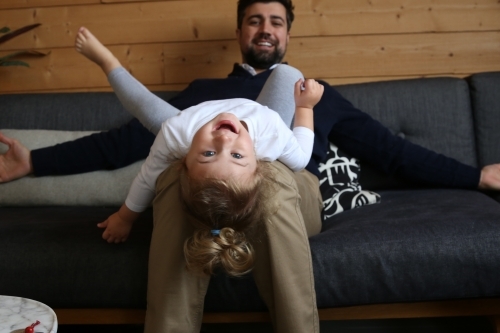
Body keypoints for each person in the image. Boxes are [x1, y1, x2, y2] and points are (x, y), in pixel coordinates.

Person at [2, 0, 500, 332]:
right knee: (178, 171)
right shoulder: (201, 99)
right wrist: (34, 163)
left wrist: (475, 175)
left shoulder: (314, 93)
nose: (265, 29)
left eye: (276, 21)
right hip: (202, 194)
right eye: (255, 20)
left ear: (286, 34)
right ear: (240, 31)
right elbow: (126, 141)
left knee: (275, 174)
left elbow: (391, 150)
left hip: (289, 190)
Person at [74, 27, 323, 262]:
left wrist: (124, 217)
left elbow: (147, 179)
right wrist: (305, 106)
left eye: (209, 153)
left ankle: (107, 62)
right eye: (237, 156)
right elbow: (301, 156)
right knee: (288, 74)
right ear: (259, 162)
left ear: (185, 158)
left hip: (195, 122)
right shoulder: (271, 133)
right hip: (257, 118)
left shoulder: (177, 134)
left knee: (145, 106)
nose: (224, 140)